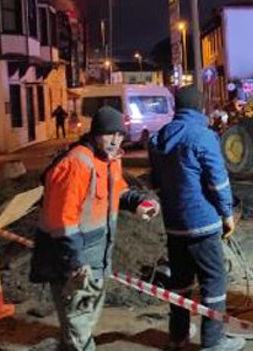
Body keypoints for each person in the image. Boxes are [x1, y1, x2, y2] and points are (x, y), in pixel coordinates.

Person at [30, 106, 160, 351]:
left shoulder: (109, 161)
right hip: (73, 263)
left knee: (82, 320)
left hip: (96, 258)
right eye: (109, 134)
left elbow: (117, 191)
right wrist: (77, 263)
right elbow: (63, 220)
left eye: (120, 134)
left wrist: (138, 204)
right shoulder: (77, 164)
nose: (115, 140)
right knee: (78, 325)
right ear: (95, 134)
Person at [149, 85, 244, 351]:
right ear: (199, 107)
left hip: (174, 226)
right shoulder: (203, 136)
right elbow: (218, 182)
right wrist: (227, 214)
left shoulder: (158, 138)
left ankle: (178, 337)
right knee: (214, 283)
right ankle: (213, 342)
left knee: (180, 284)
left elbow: (156, 183)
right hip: (203, 225)